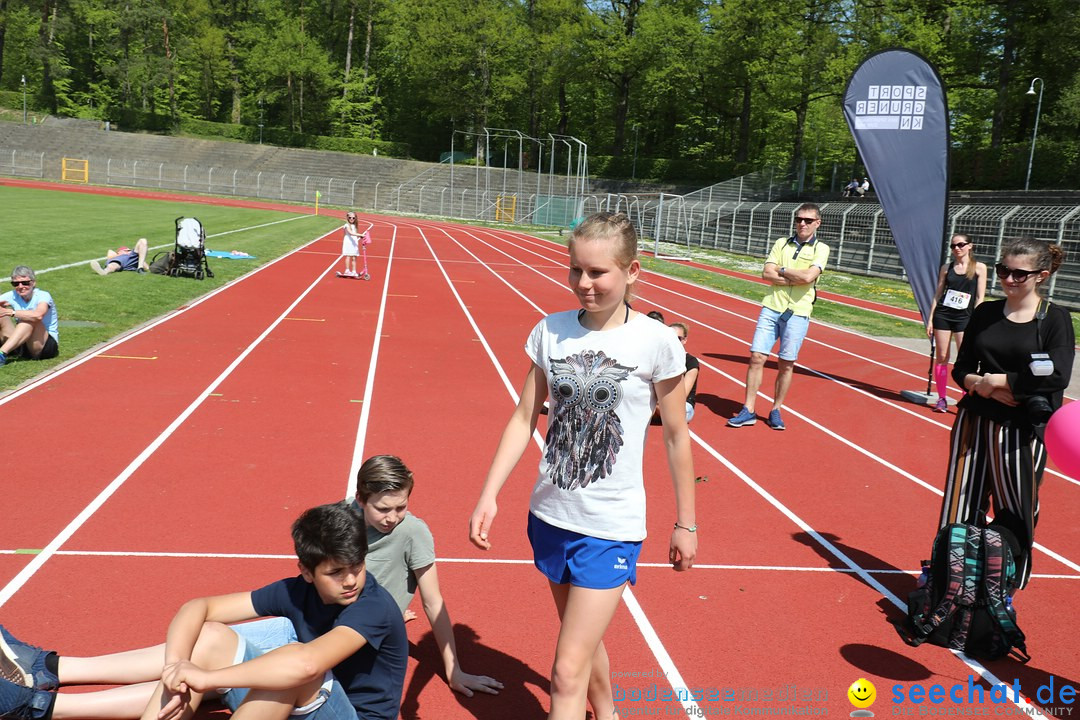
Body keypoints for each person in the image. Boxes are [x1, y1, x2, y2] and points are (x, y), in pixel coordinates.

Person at [469, 211, 697, 720]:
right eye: (575, 270)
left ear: (632, 270)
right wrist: (490, 494)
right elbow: (523, 416)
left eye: (598, 273)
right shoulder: (550, 331)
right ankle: (609, 713)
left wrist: (686, 522)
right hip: (550, 516)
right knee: (583, 644)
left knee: (564, 672)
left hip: (610, 526)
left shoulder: (657, 342)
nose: (584, 284)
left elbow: (678, 437)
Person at [0, 501, 408, 720]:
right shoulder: (292, 590)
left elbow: (304, 666)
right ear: (305, 571)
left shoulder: (372, 607)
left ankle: (41, 695)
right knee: (212, 633)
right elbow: (199, 606)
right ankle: (42, 694)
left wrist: (208, 677)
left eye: (356, 566)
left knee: (289, 665)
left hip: (348, 714)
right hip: (298, 703)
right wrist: (177, 668)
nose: (351, 580)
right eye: (336, 573)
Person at [939, 237, 1073, 589]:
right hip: (974, 420)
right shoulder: (984, 313)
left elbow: (1058, 374)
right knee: (960, 502)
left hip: (1021, 430)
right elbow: (961, 367)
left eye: (1018, 274)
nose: (1008, 279)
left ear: (1041, 275)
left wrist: (1000, 380)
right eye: (1003, 270)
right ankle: (951, 581)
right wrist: (979, 384)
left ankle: (1003, 587)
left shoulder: (1054, 318)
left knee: (1015, 509)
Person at [352, 454, 502, 698]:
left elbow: (433, 601)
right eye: (382, 509)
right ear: (360, 499)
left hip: (367, 632)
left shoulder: (412, 532)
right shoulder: (341, 518)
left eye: (400, 507)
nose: (392, 518)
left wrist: (455, 671)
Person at [728, 203, 830, 431]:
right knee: (756, 357)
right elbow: (766, 272)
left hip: (798, 312)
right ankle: (748, 409)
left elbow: (810, 276)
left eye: (807, 220)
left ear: (817, 223)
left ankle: (776, 410)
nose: (802, 223)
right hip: (772, 307)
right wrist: (796, 277)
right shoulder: (781, 243)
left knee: (786, 364)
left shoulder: (821, 249)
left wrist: (782, 271)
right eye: (798, 219)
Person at [925, 234, 987, 412]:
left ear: (970, 246)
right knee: (942, 357)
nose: (957, 248)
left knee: (964, 358)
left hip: (965, 318)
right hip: (943, 316)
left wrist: (976, 320)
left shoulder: (979, 268)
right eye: (953, 246)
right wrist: (930, 319)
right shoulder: (947, 268)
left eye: (960, 245)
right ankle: (942, 398)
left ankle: (966, 396)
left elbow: (980, 297)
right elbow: (938, 295)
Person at [0, 267, 59, 368]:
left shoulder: (43, 295)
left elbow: (38, 315)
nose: (20, 286)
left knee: (29, 318)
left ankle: (2, 353)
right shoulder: (12, 295)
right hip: (24, 344)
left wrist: (11, 312)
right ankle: (7, 351)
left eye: (25, 283)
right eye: (16, 284)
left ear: (33, 283)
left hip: (44, 346)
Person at [669, 323, 699, 423]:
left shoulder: (691, 361)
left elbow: (682, 394)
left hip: (684, 406)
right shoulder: (661, 358)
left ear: (684, 340)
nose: (674, 341)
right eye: (670, 337)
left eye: (678, 338)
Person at [338, 212, 365, 278]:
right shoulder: (346, 225)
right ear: (347, 218)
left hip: (354, 242)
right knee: (348, 256)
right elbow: (351, 233)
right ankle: (347, 270)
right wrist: (360, 234)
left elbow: (354, 234)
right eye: (350, 217)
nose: (352, 219)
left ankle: (354, 271)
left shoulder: (355, 226)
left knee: (354, 257)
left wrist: (360, 237)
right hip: (348, 242)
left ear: (355, 218)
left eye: (353, 218)